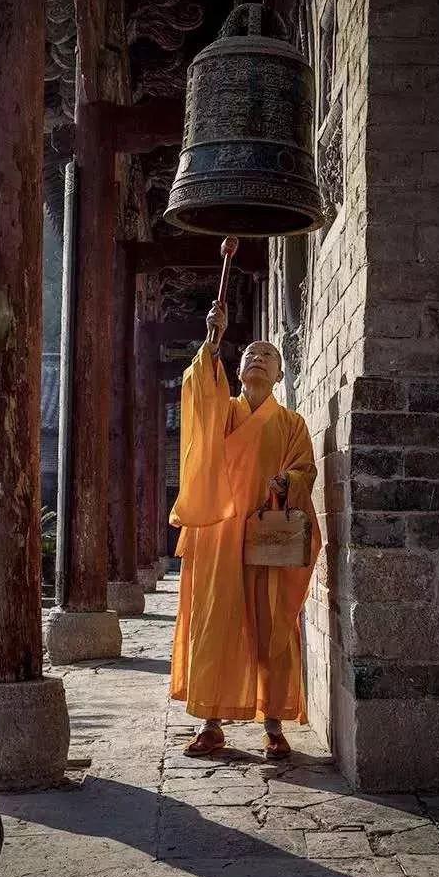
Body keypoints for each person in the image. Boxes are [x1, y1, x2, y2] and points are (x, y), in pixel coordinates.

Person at [169, 299, 321, 760]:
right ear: (237, 373)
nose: (257, 358)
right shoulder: (228, 413)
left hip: (266, 537)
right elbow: (200, 396)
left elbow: (307, 470)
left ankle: (273, 722)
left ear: (280, 376)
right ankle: (212, 722)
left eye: (268, 356)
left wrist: (287, 482)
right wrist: (212, 343)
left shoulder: (292, 423)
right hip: (218, 533)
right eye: (249, 355)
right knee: (215, 621)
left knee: (272, 625)